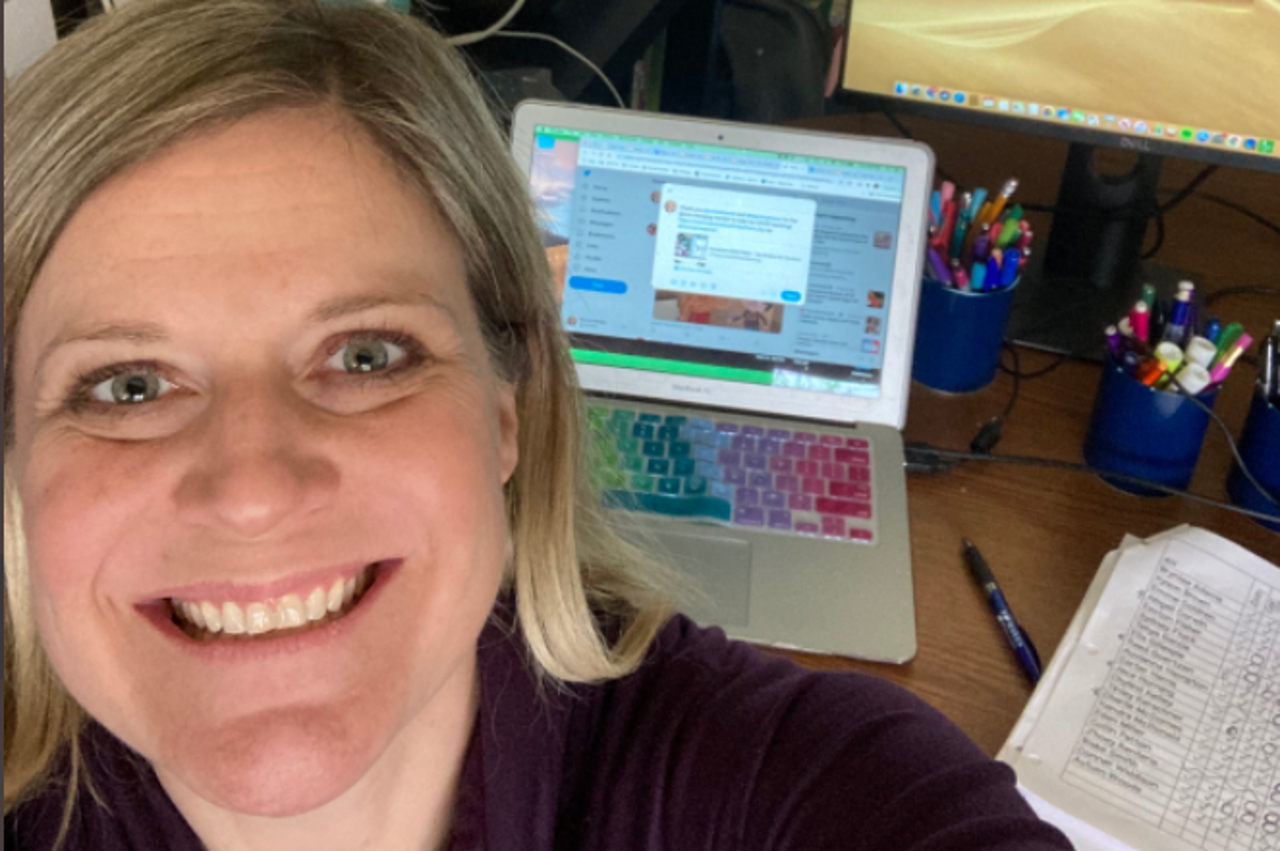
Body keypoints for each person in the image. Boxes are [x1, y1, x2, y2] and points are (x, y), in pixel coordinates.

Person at [3, 1, 1074, 849]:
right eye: (125, 385)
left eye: (366, 355)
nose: (251, 491)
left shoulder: (791, 778)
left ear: (507, 407)